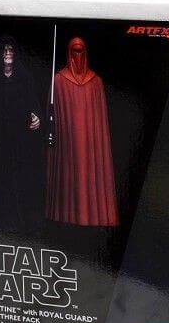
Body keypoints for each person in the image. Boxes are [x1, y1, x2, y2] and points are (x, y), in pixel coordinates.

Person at [46, 37, 118, 226]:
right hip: (68, 146)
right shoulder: (59, 81)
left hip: (91, 147)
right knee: (68, 177)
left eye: (81, 51)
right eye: (74, 51)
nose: (77, 56)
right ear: (68, 54)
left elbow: (101, 125)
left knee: (90, 176)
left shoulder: (96, 82)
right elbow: (52, 117)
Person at [0, 38, 43, 230]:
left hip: (21, 140)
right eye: (4, 50)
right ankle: (0, 223)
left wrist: (37, 118)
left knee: (20, 180)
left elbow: (34, 105)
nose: (7, 53)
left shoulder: (25, 77)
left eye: (11, 50)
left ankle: (21, 224)